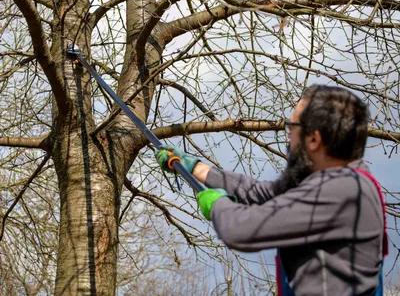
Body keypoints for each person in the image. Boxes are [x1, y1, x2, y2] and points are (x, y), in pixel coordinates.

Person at [156, 85, 387, 296]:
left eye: (292, 128)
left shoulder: (341, 190)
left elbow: (242, 229)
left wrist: (217, 204)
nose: (288, 137)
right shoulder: (337, 184)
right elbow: (259, 193)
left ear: (314, 140)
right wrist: (195, 167)